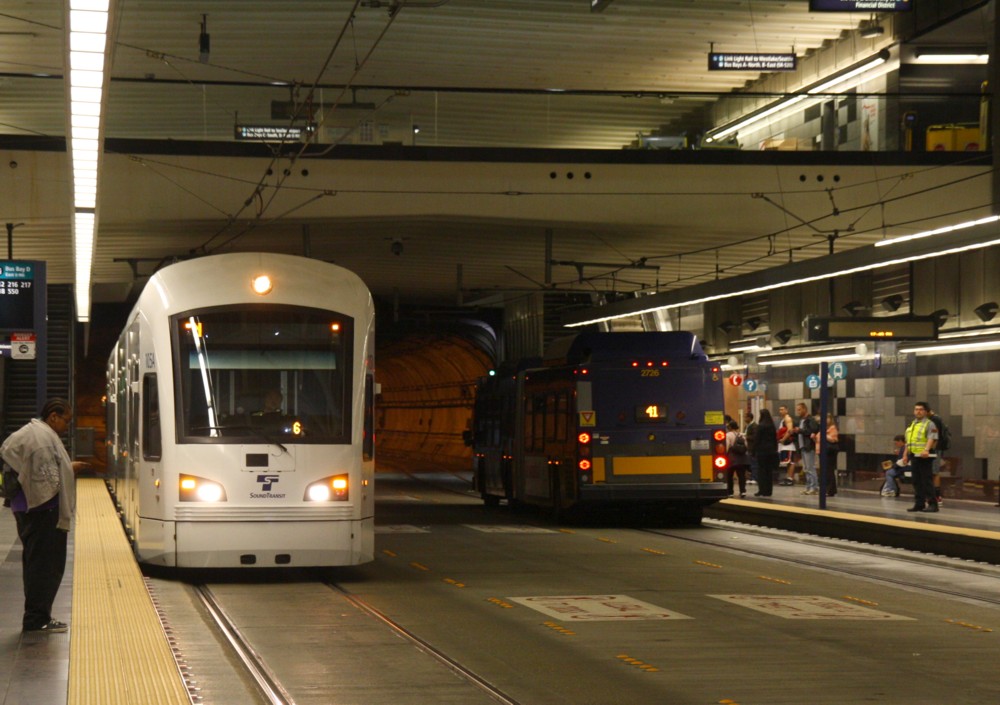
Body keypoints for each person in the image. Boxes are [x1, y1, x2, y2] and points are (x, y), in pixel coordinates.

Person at [0, 399, 89, 633]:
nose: (67, 426)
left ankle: (37, 615)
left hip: (26, 508)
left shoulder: (32, 432)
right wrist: (69, 470)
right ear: (53, 416)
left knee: (34, 563)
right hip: (41, 510)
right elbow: (47, 479)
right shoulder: (42, 439)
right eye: (66, 421)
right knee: (45, 566)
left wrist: (67, 467)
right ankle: (36, 619)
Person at [903, 401, 939, 513]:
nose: (918, 411)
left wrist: (926, 449)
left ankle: (933, 504)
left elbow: (932, 438)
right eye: (916, 409)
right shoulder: (912, 424)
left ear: (926, 411)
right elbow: (908, 442)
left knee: (926, 481)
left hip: (924, 457)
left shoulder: (930, 424)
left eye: (921, 409)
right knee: (916, 481)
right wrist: (905, 455)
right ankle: (919, 504)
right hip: (914, 456)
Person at [793, 403, 820, 495]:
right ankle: (808, 487)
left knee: (810, 467)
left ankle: (814, 487)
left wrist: (799, 430)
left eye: (800, 409)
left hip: (808, 446)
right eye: (797, 410)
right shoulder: (801, 420)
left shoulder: (810, 419)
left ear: (805, 409)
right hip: (802, 445)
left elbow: (813, 430)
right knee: (806, 468)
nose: (798, 411)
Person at [753, 409, 779, 497]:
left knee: (761, 471)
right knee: (769, 471)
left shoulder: (760, 426)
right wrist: (775, 450)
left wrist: (753, 451)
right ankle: (768, 491)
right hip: (771, 451)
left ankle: (762, 490)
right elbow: (775, 439)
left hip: (761, 452)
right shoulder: (772, 426)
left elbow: (757, 440)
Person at [725, 420, 749, 498]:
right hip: (741, 459)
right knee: (741, 475)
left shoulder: (728, 435)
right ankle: (742, 491)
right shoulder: (741, 435)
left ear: (730, 427)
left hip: (731, 459)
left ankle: (730, 492)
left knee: (729, 476)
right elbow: (746, 446)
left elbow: (727, 446)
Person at [777, 405, 797, 486]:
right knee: (788, 462)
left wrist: (783, 439)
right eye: (779, 409)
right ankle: (788, 477)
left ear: (786, 410)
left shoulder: (787, 418)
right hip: (785, 444)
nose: (780, 411)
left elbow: (790, 430)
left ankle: (790, 478)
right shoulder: (783, 419)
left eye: (782, 409)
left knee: (791, 461)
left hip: (788, 444)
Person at [820, 413, 839, 497]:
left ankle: (830, 489)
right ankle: (827, 488)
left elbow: (833, 439)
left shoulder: (833, 428)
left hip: (830, 451)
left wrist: (825, 435)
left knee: (829, 470)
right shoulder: (824, 428)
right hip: (823, 451)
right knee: (825, 470)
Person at [744, 413, 759, 485]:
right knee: (750, 464)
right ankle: (751, 477)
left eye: (746, 417)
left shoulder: (754, 426)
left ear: (750, 418)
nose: (745, 419)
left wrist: (746, 437)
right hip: (748, 448)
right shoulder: (747, 426)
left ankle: (755, 477)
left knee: (754, 463)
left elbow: (755, 437)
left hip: (753, 448)